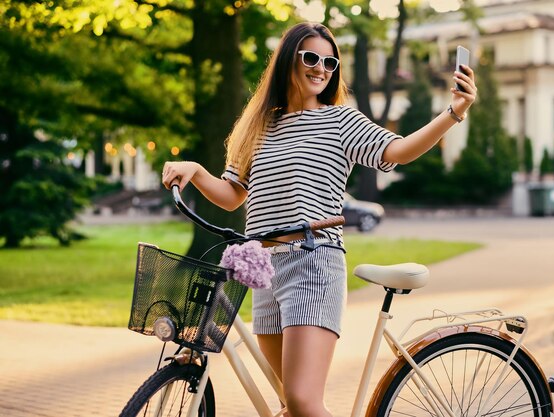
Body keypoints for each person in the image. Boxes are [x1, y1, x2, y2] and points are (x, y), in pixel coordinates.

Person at [162, 22, 476, 417]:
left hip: (313, 263)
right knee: (289, 406)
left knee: (303, 403)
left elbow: (398, 151)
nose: (321, 68)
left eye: (330, 61)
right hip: (264, 270)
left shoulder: (340, 121)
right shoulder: (257, 125)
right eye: (311, 57)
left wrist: (453, 112)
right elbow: (232, 195)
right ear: (287, 60)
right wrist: (196, 171)